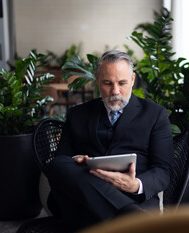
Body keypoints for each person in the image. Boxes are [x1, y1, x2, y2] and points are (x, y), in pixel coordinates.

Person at [46, 50, 173, 232]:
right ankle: (130, 216)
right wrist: (79, 161)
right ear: (97, 79)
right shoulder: (77, 114)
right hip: (86, 202)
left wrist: (136, 185)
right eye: (107, 83)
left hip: (133, 198)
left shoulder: (155, 115)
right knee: (59, 164)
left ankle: (126, 213)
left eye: (122, 83)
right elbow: (61, 161)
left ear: (132, 79)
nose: (115, 91)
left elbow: (164, 171)